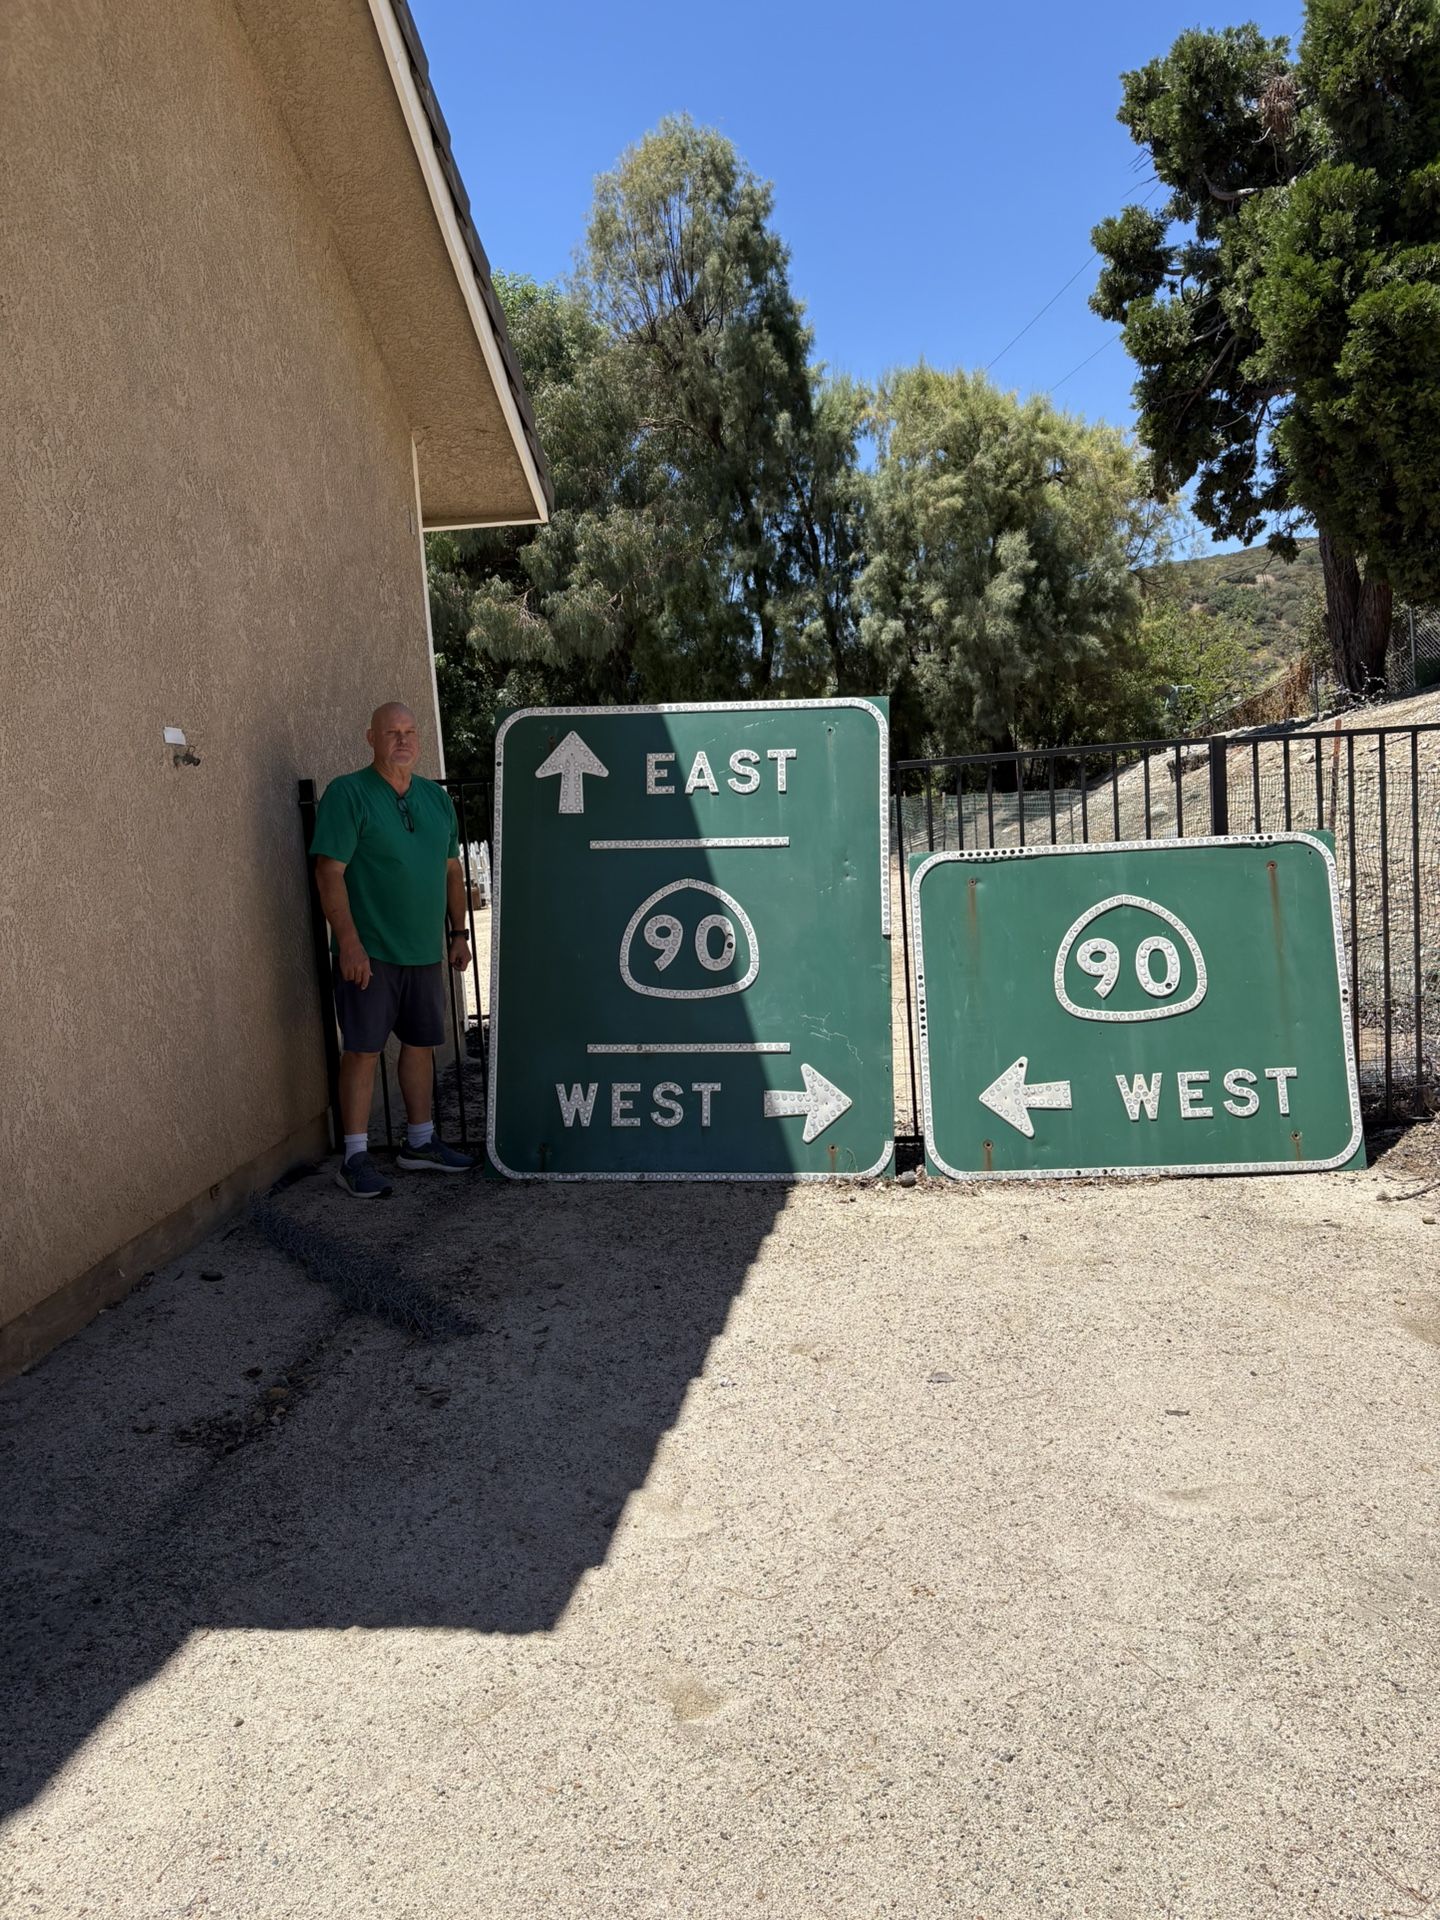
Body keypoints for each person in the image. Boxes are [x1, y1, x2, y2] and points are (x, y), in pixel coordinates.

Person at [310, 702, 476, 1197]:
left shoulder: (435, 798)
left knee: (422, 1045)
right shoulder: (349, 793)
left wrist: (459, 933)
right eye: (391, 732)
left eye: (409, 732)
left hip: (425, 950)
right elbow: (328, 872)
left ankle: (419, 1143)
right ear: (371, 737)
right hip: (371, 951)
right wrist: (350, 943)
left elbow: (451, 871)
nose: (402, 741)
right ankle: (355, 1156)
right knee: (362, 1050)